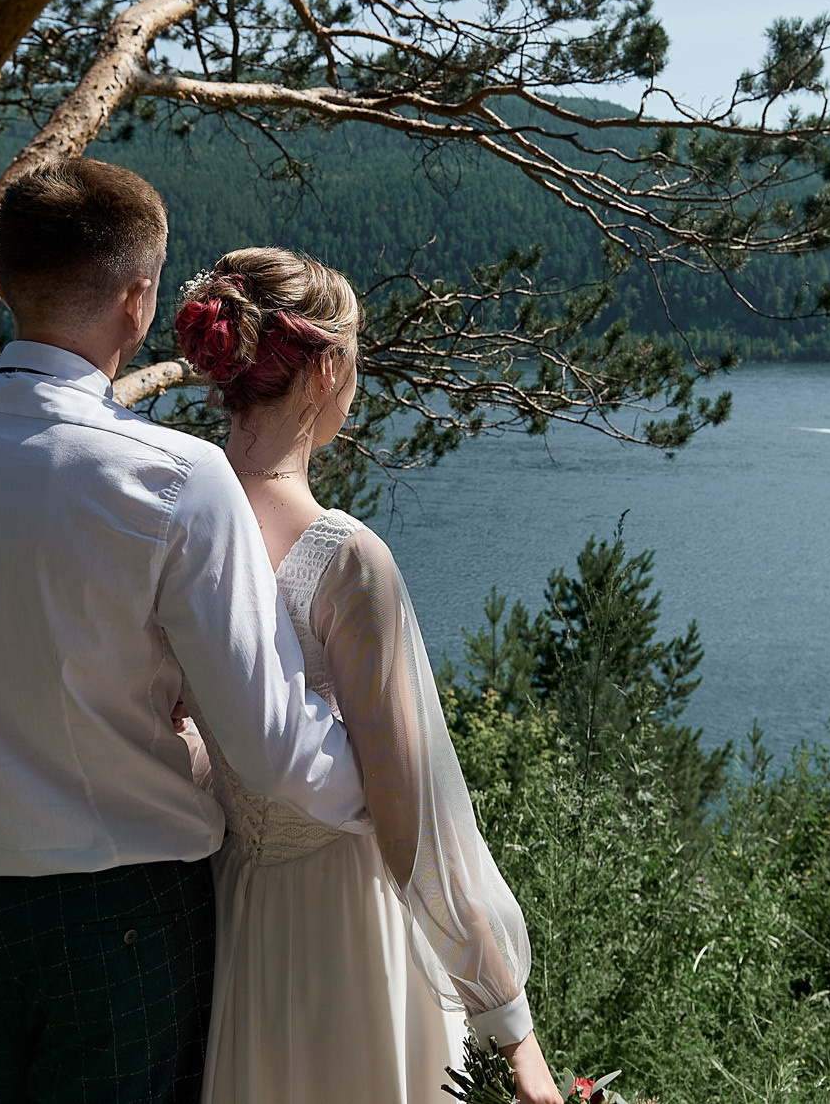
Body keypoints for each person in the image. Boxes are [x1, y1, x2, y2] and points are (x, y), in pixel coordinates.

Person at [0, 161, 369, 1103]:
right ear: (139, 298)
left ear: (0, 284)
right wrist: (389, 780)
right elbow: (273, 746)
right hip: (124, 916)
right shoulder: (174, 474)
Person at [170, 248, 562, 1104]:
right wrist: (513, 1032)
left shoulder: (171, 534)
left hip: (239, 923)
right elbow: (417, 817)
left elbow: (173, 737)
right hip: (353, 930)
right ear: (329, 369)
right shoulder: (347, 560)